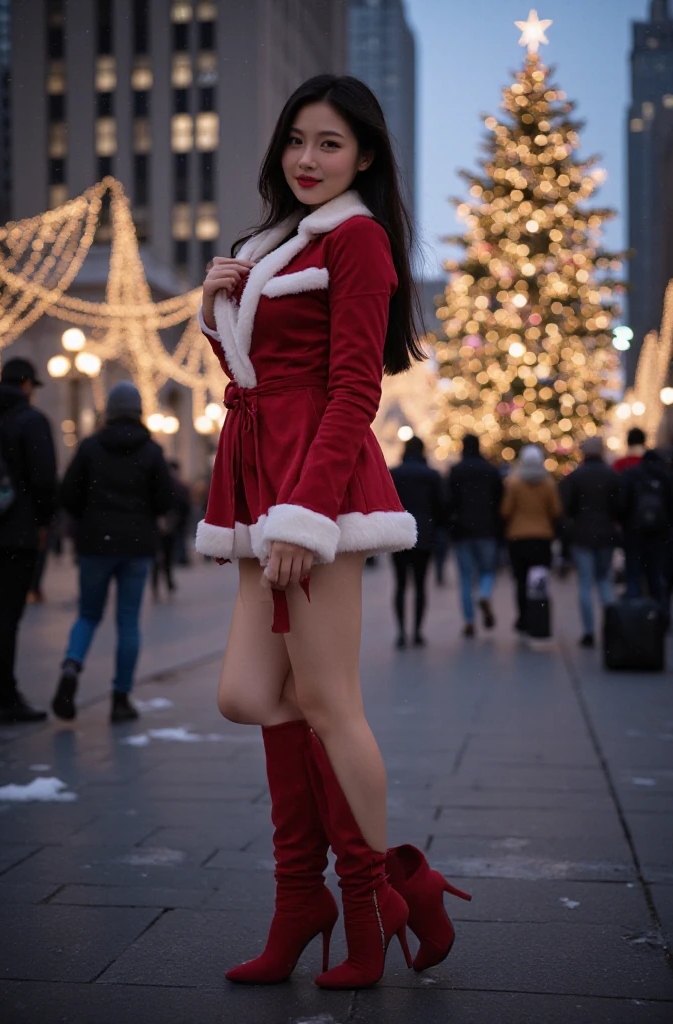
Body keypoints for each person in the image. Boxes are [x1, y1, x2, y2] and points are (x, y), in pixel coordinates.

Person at [195, 75, 470, 989]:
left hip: (318, 489)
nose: (308, 160)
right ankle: (320, 895)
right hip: (256, 480)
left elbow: (356, 388)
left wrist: (304, 519)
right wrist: (213, 309)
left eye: (330, 145)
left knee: (328, 701)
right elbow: (256, 371)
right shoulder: (269, 245)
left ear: (365, 158)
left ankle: (368, 900)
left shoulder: (359, 242)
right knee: (246, 693)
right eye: (297, 142)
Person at [52, 382, 173, 724]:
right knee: (128, 621)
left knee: (88, 614)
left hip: (95, 544)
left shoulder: (90, 447)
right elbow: (165, 499)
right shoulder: (151, 451)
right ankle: (120, 699)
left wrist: (90, 517)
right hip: (137, 546)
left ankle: (72, 664)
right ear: (137, 411)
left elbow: (68, 494)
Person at [0, 357, 56, 725]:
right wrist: (43, 522)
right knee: (5, 619)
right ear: (27, 384)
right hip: (15, 534)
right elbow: (44, 480)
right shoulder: (30, 420)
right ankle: (6, 697)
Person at [560, 437, 620, 647]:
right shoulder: (612, 476)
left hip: (582, 535)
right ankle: (613, 629)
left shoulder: (576, 477)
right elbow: (619, 507)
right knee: (604, 581)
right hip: (605, 534)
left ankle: (588, 631)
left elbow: (566, 509)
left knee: (585, 583)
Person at [389, 435, 447, 647]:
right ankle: (417, 632)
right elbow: (441, 506)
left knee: (401, 584)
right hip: (424, 533)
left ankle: (401, 633)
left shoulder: (394, 473)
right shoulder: (431, 475)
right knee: (421, 585)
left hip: (399, 534)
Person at [501, 445, 562, 634]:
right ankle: (539, 618)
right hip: (542, 537)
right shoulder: (548, 483)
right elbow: (557, 510)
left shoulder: (514, 483)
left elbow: (505, 510)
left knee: (520, 580)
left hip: (518, 537)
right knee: (539, 582)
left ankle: (523, 618)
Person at [447, 433, 503, 637]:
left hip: (463, 530)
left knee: (465, 577)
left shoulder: (456, 471)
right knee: (487, 570)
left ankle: (469, 620)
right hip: (487, 528)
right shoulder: (491, 471)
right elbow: (500, 498)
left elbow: (448, 500)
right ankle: (485, 594)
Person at [619, 448, 673, 618]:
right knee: (656, 577)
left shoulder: (631, 475)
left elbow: (622, 505)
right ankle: (659, 618)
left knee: (634, 575)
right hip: (659, 537)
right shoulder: (664, 477)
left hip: (634, 535)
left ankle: (635, 620)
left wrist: (625, 526)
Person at [151, 460, 191, 598]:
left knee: (161, 557)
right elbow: (184, 505)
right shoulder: (177, 486)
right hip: (169, 525)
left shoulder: (162, 485)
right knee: (164, 556)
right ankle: (164, 583)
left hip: (165, 525)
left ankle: (160, 584)